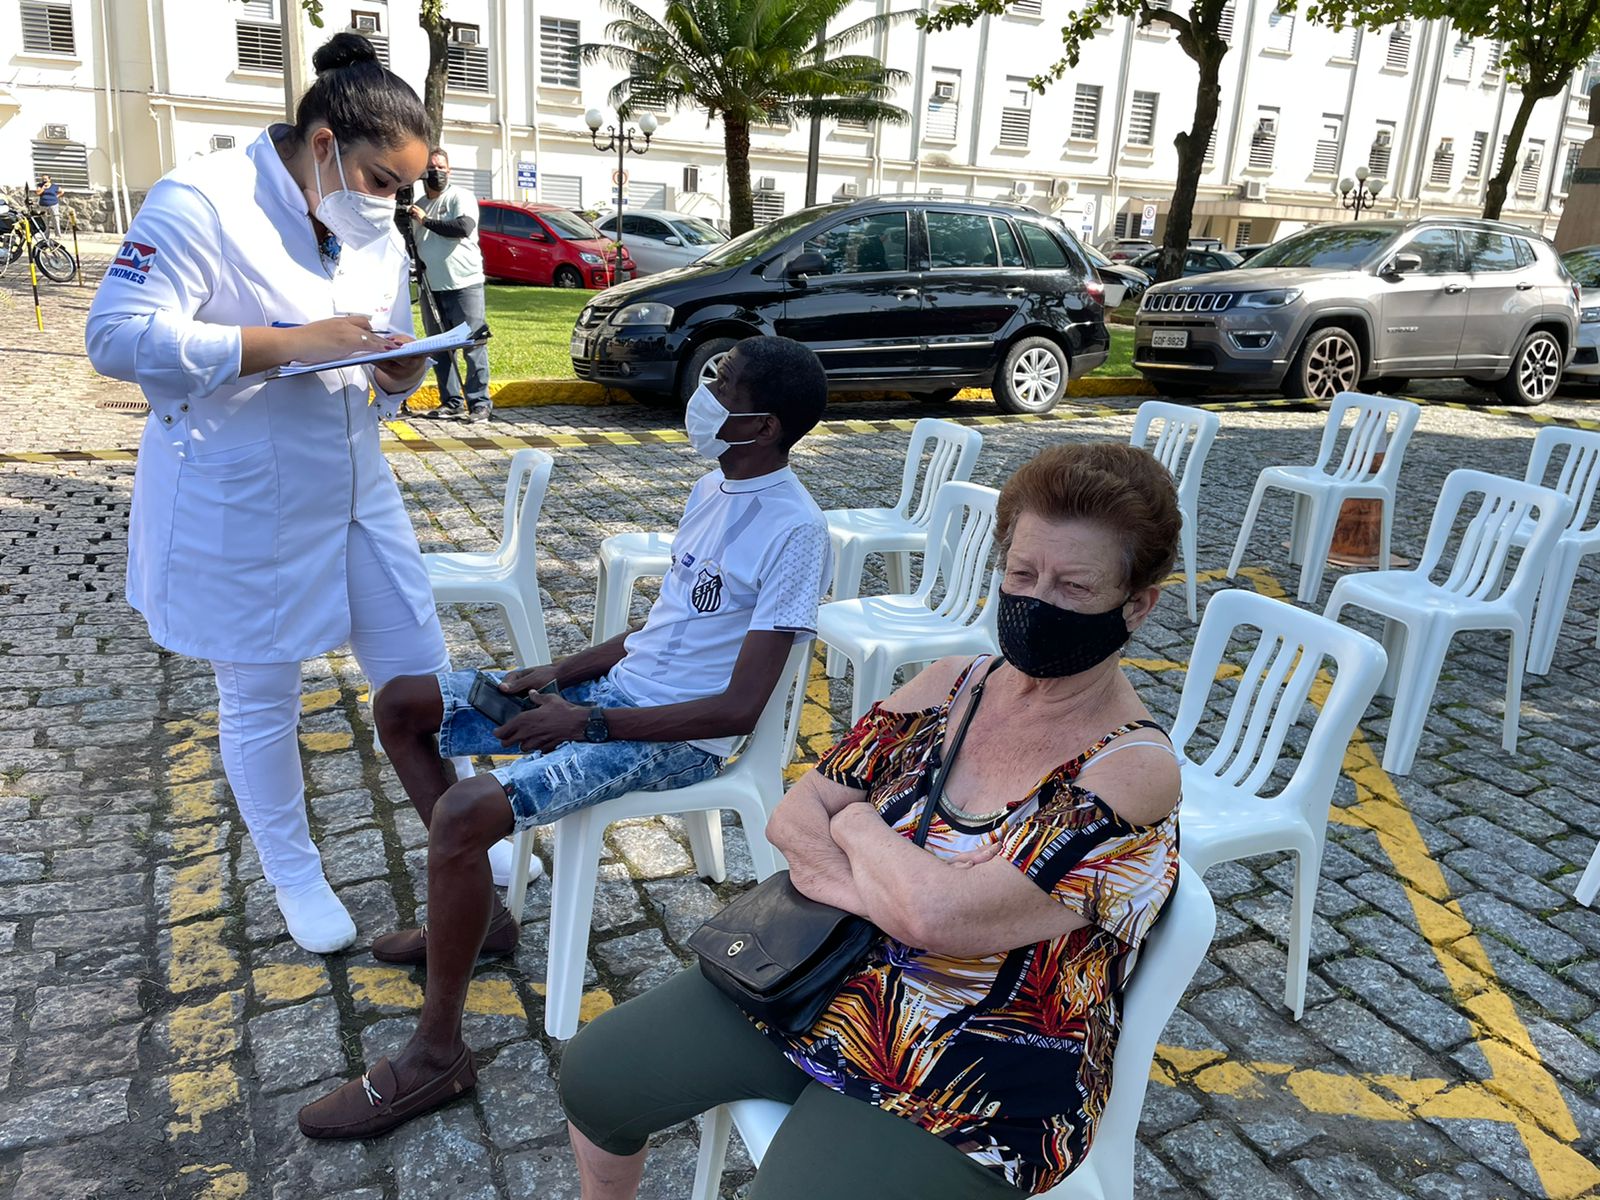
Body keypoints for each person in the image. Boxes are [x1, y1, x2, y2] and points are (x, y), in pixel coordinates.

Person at [555, 440, 1186, 1200]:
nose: (1037, 601)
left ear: (1137, 605)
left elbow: (937, 917)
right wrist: (894, 892)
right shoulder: (951, 684)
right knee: (595, 1074)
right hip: (823, 970)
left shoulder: (1130, 771)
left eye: (1074, 586)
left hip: (978, 1065)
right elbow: (795, 816)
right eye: (1022, 574)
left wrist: (856, 827)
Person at [298, 336, 836, 1139]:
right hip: (617, 699)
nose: (702, 392)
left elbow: (737, 709)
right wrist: (557, 672)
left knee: (464, 814)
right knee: (404, 705)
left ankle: (437, 1054)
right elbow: (664, 629)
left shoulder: (797, 532)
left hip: (678, 739)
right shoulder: (713, 488)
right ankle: (482, 918)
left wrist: (583, 721)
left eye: (721, 385)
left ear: (762, 427)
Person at [85, 32, 447, 955]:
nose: (389, 203)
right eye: (380, 180)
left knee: (420, 670)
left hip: (356, 484)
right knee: (261, 691)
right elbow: (115, 337)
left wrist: (402, 369)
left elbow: (385, 341)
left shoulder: (371, 222)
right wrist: (282, 344)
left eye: (404, 188)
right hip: (243, 491)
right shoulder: (200, 200)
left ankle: (460, 837)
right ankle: (294, 871)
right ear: (324, 143)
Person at [407, 147, 491, 423]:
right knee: (439, 347)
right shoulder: (419, 204)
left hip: (464, 283)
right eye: (431, 168)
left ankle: (479, 403)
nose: (436, 172)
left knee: (473, 343)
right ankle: (451, 401)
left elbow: (462, 228)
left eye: (441, 168)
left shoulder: (460, 197)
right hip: (432, 286)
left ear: (449, 170)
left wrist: (425, 220)